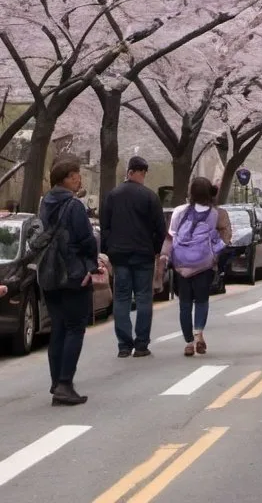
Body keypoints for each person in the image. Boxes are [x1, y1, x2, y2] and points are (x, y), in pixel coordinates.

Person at [40, 158, 101, 405]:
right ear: (65, 179)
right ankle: (66, 382)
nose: (79, 179)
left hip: (49, 274)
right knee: (75, 327)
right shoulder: (74, 206)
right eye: (75, 175)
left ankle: (57, 382)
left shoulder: (45, 203)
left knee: (58, 327)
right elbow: (86, 240)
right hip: (73, 272)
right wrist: (91, 265)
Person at [100, 155, 166, 358]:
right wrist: (154, 248)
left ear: (128, 172)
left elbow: (105, 226)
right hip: (143, 254)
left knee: (121, 299)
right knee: (144, 298)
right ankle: (142, 344)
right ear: (139, 173)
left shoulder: (113, 196)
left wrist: (109, 249)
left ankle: (124, 345)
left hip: (119, 254)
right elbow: (160, 228)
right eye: (143, 173)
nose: (143, 177)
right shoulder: (150, 197)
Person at [159, 177, 226, 356]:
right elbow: (223, 237)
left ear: (191, 192)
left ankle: (188, 342)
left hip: (181, 265)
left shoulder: (179, 211)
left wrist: (165, 257)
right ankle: (198, 335)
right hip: (203, 264)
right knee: (202, 301)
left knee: (185, 304)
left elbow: (170, 236)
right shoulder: (214, 214)